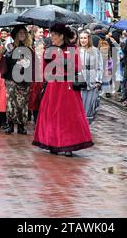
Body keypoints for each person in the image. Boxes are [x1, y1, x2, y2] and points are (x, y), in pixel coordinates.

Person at [33, 23, 93, 157]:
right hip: (53, 86)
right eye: (51, 34)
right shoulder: (49, 50)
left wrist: (65, 62)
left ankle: (68, 144)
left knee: (68, 116)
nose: (51, 37)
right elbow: (43, 71)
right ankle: (52, 142)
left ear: (61, 36)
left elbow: (77, 67)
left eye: (54, 35)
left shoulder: (71, 48)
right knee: (52, 115)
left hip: (68, 87)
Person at [2, 25, 33, 135]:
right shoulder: (10, 47)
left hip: (25, 79)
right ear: (15, 35)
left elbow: (33, 64)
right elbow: (3, 60)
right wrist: (10, 55)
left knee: (22, 104)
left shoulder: (29, 48)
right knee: (11, 102)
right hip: (11, 78)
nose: (22, 35)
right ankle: (10, 124)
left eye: (24, 33)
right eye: (19, 33)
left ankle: (21, 125)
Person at [78, 30, 103, 123]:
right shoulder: (77, 51)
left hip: (92, 83)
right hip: (80, 84)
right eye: (81, 38)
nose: (83, 40)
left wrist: (98, 80)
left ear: (89, 39)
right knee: (79, 106)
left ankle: (86, 127)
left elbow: (100, 66)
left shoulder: (95, 51)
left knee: (89, 107)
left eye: (85, 38)